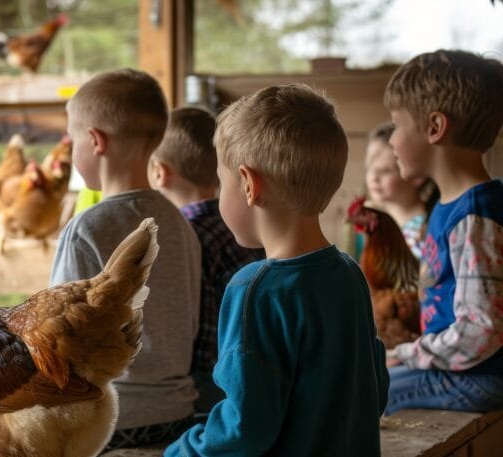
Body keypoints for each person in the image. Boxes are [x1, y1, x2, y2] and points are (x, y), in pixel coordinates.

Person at [165, 84, 388, 456]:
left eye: (222, 183)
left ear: (249, 185)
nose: (220, 194)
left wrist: (181, 451)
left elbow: (244, 430)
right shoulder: (349, 274)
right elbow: (375, 390)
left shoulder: (255, 290)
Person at [50, 68, 201, 449]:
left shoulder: (86, 228)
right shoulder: (180, 223)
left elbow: (57, 339)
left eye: (72, 139)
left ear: (96, 141)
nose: (71, 151)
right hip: (177, 415)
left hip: (108, 420)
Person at [382, 50, 503, 415]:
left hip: (475, 377)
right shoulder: (453, 206)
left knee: (358, 394)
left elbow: (482, 329)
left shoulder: (473, 216)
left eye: (395, 124)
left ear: (435, 127)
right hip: (461, 367)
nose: (390, 140)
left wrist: (405, 354)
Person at [148, 106, 265, 414]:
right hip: (253, 371)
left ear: (159, 172)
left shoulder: (182, 235)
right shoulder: (244, 226)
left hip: (205, 381)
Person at [365, 121, 438, 259]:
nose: (373, 177)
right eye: (369, 169)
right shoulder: (374, 222)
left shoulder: (423, 231)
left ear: (417, 177)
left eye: (385, 171)